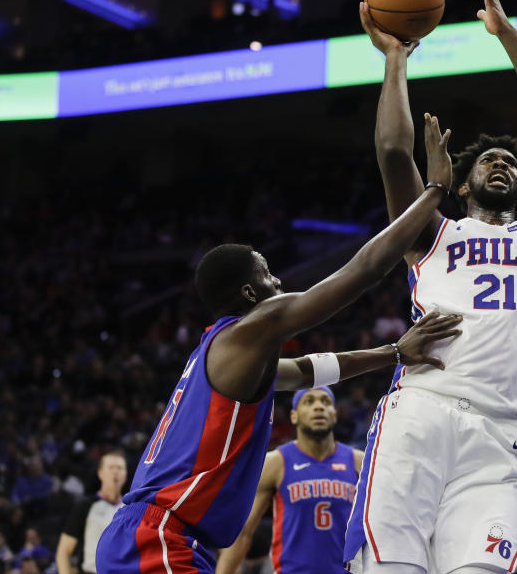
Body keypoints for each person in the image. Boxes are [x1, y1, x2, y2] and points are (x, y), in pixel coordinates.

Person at [95, 119, 461, 574]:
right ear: (250, 295)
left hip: (156, 535)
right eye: (267, 273)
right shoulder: (249, 329)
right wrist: (434, 192)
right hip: (161, 536)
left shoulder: (230, 357)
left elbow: (308, 371)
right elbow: (363, 269)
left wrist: (392, 354)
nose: (279, 281)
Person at [347, 0, 517, 574]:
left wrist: (509, 37)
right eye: (487, 160)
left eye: (511, 162)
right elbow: (395, 152)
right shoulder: (431, 229)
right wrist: (396, 61)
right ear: (464, 185)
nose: (500, 161)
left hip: (500, 435)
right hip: (423, 411)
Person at [216, 388, 362, 574]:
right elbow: (243, 532)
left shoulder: (360, 463)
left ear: (334, 414)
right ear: (294, 416)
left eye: (325, 402)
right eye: (309, 402)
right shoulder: (276, 463)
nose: (319, 407)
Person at [56, 450, 127, 574]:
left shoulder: (130, 508)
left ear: (125, 474)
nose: (115, 472)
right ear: (100, 473)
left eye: (120, 468)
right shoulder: (85, 506)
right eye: (111, 467)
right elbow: (63, 552)